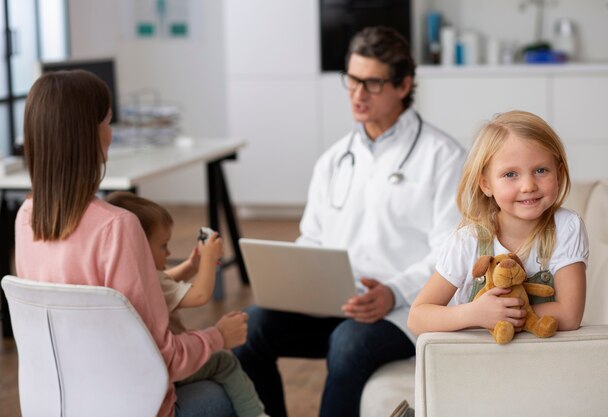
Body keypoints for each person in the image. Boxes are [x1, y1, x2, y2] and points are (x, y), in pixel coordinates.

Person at [234, 26, 466, 417]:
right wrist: (296, 278)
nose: (358, 94)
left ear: (403, 84)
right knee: (249, 329)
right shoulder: (334, 159)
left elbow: (451, 253)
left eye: (372, 83)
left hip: (403, 310)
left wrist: (392, 291)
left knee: (348, 344)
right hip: (338, 301)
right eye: (353, 80)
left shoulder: (443, 157)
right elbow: (313, 237)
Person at [14, 69, 246, 417]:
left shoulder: (25, 218)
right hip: (131, 408)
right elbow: (161, 360)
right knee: (225, 389)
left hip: (56, 407)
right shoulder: (118, 228)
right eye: (107, 122)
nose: (111, 133)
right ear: (90, 136)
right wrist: (218, 336)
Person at [407, 110, 588, 340]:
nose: (528, 185)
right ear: (486, 184)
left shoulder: (565, 227)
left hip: (542, 363)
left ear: (559, 174)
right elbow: (417, 318)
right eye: (511, 174)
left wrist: (506, 315)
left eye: (541, 170)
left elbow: (570, 315)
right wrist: (474, 314)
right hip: (480, 364)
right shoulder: (468, 240)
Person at [105, 191, 268, 417]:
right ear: (139, 247)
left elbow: (165, 283)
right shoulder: (150, 280)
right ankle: (255, 413)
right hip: (169, 369)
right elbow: (200, 296)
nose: (169, 252)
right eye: (163, 245)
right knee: (224, 362)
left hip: (143, 374)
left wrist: (192, 265)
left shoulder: (129, 277)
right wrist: (209, 260)